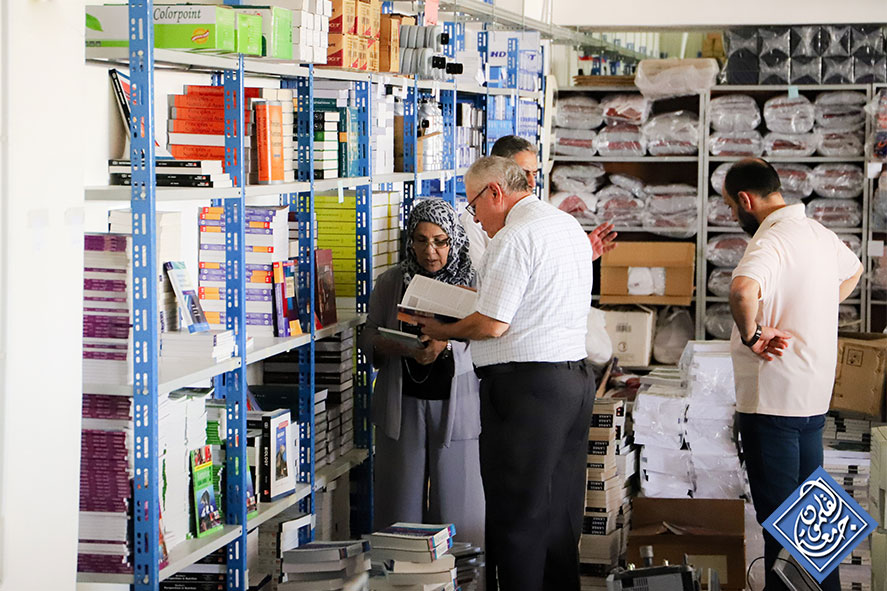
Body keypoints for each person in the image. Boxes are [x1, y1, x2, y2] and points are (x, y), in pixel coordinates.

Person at [421, 156, 596, 591]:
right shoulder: (565, 225)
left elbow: (492, 324)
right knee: (559, 513)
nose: (476, 219)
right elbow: (523, 299)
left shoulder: (514, 237)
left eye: (473, 205)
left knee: (516, 514)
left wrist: (442, 330)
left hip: (526, 389)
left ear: (495, 193)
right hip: (572, 382)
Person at [722, 159, 862, 591]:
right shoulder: (818, 233)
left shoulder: (772, 239)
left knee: (783, 530)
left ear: (745, 200)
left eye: (730, 206)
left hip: (772, 403)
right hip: (811, 401)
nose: (732, 215)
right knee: (812, 527)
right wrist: (813, 308)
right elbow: (854, 269)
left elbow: (742, 290)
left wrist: (754, 335)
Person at [360, 198, 484, 551]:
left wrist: (444, 345)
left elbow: (489, 340)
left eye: (440, 241)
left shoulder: (473, 282)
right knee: (399, 511)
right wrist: (396, 346)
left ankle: (460, 576)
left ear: (454, 240)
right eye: (421, 240)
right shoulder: (391, 282)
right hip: (402, 406)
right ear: (409, 240)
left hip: (457, 407)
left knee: (459, 510)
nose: (430, 251)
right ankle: (398, 574)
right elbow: (368, 336)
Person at [460, 135, 617, 267]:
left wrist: (578, 256)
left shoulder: (537, 217)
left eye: (534, 174)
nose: (532, 183)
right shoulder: (476, 219)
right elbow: (478, 280)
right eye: (523, 173)